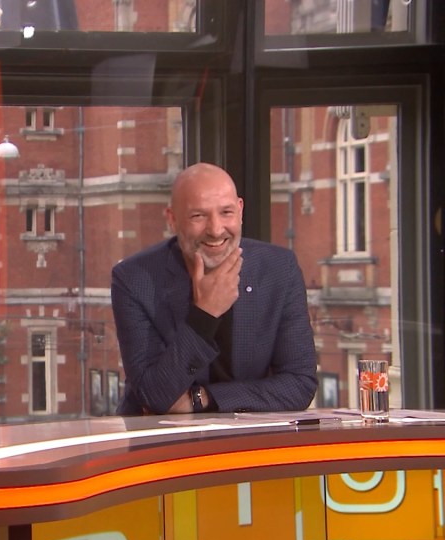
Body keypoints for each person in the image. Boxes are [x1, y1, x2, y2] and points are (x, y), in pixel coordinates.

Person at [111, 163, 317, 415]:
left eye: (226, 212)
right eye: (198, 216)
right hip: (158, 436)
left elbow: (300, 384)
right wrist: (205, 315)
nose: (216, 230)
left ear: (240, 211)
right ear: (172, 219)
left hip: (250, 435)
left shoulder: (279, 269)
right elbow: (153, 396)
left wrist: (202, 398)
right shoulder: (135, 279)